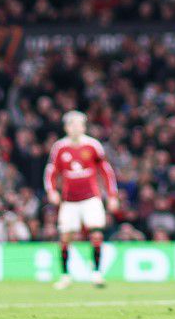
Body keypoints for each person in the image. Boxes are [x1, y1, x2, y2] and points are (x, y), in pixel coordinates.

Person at [45, 110, 119, 290]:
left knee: (96, 233)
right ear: (66, 127)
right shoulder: (60, 147)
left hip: (91, 198)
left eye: (79, 124)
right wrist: (52, 191)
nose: (76, 127)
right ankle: (65, 276)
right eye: (72, 124)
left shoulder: (92, 145)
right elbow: (51, 172)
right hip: (69, 200)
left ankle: (96, 273)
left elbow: (106, 171)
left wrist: (112, 195)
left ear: (84, 127)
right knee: (65, 237)